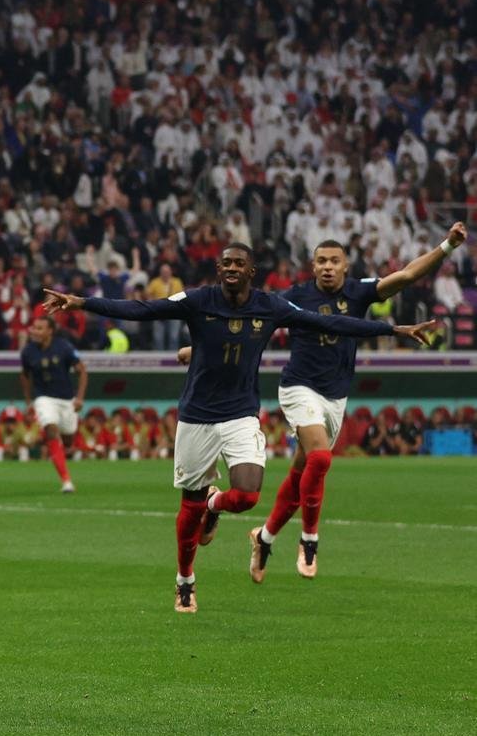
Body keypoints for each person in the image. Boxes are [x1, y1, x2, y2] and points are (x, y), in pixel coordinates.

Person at [43, 243, 435, 613]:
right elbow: (142, 309)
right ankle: (185, 579)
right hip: (196, 415)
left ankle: (216, 504)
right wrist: (81, 303)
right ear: (219, 270)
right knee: (187, 507)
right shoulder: (198, 300)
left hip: (241, 414)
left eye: (238, 264)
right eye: (225, 264)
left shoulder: (271, 306)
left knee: (247, 496)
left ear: (251, 271)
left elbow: (329, 321)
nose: (231, 269)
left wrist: (393, 331)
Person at [246, 223, 468, 583]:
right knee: (320, 457)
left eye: (335, 260)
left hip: (336, 396)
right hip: (298, 387)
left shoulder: (358, 292)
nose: (328, 266)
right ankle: (309, 540)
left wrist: (447, 246)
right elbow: (254, 325)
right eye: (321, 261)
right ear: (313, 266)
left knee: (305, 469)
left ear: (346, 266)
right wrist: (200, 348)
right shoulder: (294, 296)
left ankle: (264, 537)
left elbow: (407, 274)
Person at [20, 315, 88, 493]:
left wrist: (79, 398)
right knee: (51, 430)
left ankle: (53, 449)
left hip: (67, 401)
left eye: (39, 328)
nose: (34, 331)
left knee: (68, 439)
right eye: (34, 327)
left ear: (50, 331)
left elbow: (82, 371)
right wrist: (29, 402)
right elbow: (24, 376)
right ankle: (66, 481)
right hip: (43, 399)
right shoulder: (27, 352)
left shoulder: (64, 347)